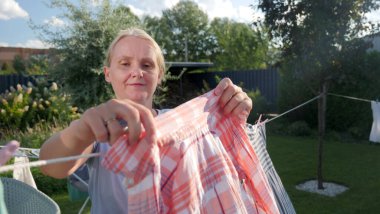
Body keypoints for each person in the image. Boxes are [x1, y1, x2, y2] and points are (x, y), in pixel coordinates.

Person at [39, 28, 252, 213]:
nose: (136, 72)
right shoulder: (98, 127)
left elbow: (222, 159)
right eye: (124, 63)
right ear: (107, 73)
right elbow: (51, 166)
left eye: (147, 65)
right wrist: (80, 131)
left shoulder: (178, 122)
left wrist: (232, 111)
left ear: (159, 75)